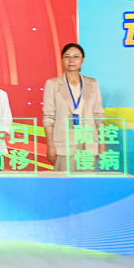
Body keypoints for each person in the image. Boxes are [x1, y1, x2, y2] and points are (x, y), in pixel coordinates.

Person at [42, 42, 105, 173]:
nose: (71, 60)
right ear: (62, 59)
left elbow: (99, 116)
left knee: (87, 183)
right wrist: (50, 145)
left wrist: (102, 143)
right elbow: (48, 117)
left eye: (76, 56)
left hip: (88, 143)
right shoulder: (53, 84)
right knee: (64, 182)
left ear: (83, 60)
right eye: (67, 56)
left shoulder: (92, 84)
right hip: (64, 144)